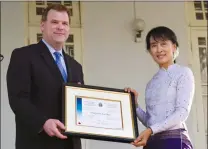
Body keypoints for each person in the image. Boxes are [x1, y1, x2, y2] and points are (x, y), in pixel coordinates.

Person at [6, 4, 84, 149]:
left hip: (71, 144)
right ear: (42, 26)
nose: (60, 27)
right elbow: (18, 99)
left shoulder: (76, 66)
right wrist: (43, 122)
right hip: (38, 142)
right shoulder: (23, 56)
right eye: (54, 22)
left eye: (65, 23)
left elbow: (81, 106)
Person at [125, 26, 195, 149]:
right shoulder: (151, 83)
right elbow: (150, 120)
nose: (159, 49)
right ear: (149, 51)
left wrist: (150, 130)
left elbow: (182, 112)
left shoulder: (183, 73)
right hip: (152, 142)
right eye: (153, 45)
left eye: (163, 44)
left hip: (174, 141)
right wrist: (134, 105)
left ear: (173, 47)